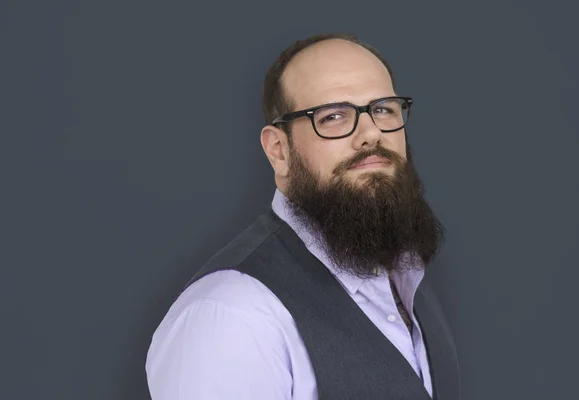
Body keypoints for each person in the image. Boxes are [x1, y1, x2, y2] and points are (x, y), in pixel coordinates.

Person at [146, 32, 460, 399]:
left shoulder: (406, 278)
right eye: (334, 116)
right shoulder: (232, 317)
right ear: (279, 151)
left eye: (383, 109)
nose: (371, 133)